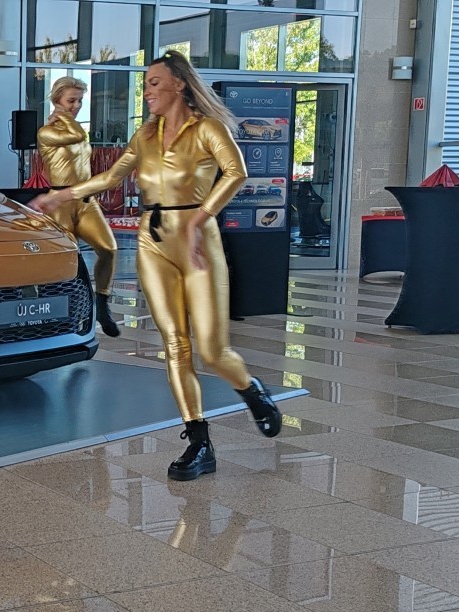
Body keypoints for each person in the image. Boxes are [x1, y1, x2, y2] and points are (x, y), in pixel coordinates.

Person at [30, 51, 281, 481]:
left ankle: (251, 390)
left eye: (154, 83)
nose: (147, 91)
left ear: (179, 84)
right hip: (153, 238)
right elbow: (111, 177)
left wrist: (200, 219)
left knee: (212, 351)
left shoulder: (207, 129)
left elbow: (236, 172)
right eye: (146, 84)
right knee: (175, 344)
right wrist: (62, 195)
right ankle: (199, 441)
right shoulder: (145, 135)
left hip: (197, 240)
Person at [37, 76, 121, 337]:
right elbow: (77, 134)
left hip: (85, 200)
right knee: (67, 259)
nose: (76, 106)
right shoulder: (47, 132)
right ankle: (65, 312)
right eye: (71, 101)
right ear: (57, 101)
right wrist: (63, 117)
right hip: (60, 202)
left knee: (109, 249)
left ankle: (102, 303)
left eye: (80, 101)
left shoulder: (73, 129)